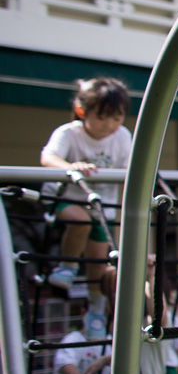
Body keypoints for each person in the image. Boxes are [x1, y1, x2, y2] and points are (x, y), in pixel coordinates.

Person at [40, 77, 132, 341]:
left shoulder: (122, 136)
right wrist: (71, 167)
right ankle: (67, 265)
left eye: (117, 117)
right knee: (79, 221)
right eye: (103, 117)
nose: (110, 125)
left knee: (98, 260)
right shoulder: (69, 133)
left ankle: (95, 308)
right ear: (83, 111)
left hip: (102, 206)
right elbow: (47, 157)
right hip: (67, 197)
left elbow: (129, 170)